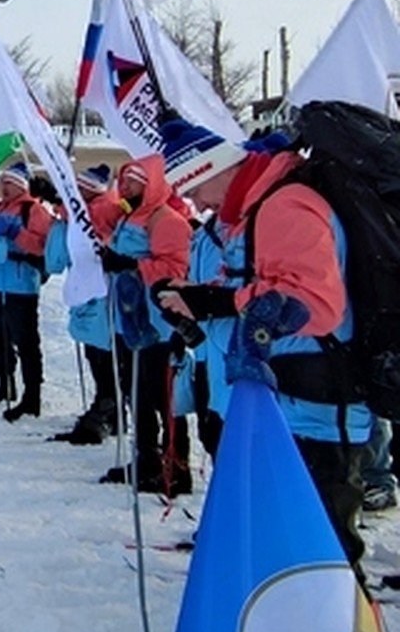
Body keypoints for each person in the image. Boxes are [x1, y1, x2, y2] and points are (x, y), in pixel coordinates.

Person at [155, 118, 375, 579]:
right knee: (292, 551)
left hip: (316, 410)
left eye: (193, 189)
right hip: (288, 406)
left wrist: (218, 301)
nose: (194, 203)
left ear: (210, 169)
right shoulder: (255, 210)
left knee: (324, 555)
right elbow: (260, 286)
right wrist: (200, 302)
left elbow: (315, 304)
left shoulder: (284, 205)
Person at [96, 155, 193, 494]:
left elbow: (176, 268)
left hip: (159, 325)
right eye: (124, 181)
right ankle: (146, 458)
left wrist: (133, 266)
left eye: (134, 181)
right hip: (130, 320)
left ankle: (176, 466)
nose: (126, 187)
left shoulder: (166, 219)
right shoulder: (128, 217)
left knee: (164, 397)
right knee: (136, 393)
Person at [0, 161, 52, 420]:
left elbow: (41, 248)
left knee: (26, 341)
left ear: (21, 186)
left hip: (20, 286)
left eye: (9, 184)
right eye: (2, 183)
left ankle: (33, 395)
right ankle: (5, 384)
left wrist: (17, 233)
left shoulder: (34, 211)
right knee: (0, 338)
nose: (3, 188)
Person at [52, 164, 124, 444]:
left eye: (80, 189)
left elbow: (95, 234)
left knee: (103, 356)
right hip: (90, 288)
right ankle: (112, 413)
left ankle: (104, 412)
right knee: (96, 354)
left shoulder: (105, 206)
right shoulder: (91, 207)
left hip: (102, 291)